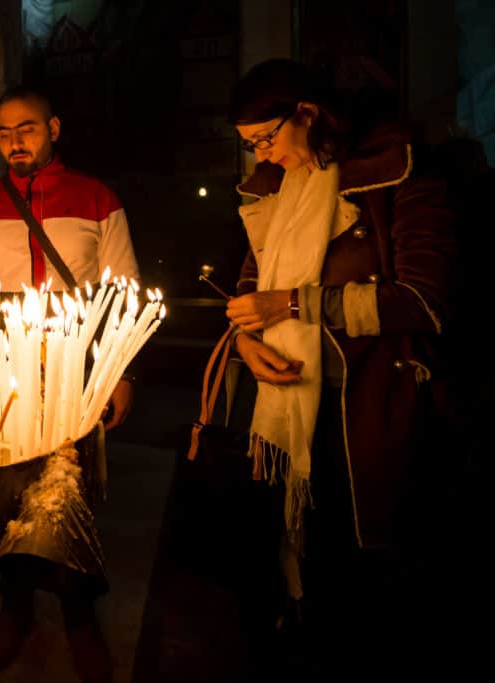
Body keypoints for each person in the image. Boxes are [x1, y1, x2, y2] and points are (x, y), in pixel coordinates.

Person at [222, 59, 456, 677]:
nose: (261, 156)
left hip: (373, 402)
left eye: (267, 139)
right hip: (294, 399)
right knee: (305, 538)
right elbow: (254, 281)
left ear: (308, 112)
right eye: (249, 147)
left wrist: (295, 303)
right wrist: (247, 342)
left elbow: (426, 301)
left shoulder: (396, 173)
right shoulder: (279, 186)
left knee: (374, 552)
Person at [0, 86, 140, 683]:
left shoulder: (97, 198)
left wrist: (120, 371)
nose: (14, 141)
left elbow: (121, 294)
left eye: (25, 128)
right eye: (3, 132)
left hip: (76, 368)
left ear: (53, 127)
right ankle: (16, 605)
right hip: (1, 372)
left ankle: (79, 616)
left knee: (70, 491)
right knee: (7, 493)